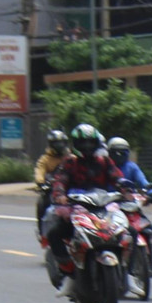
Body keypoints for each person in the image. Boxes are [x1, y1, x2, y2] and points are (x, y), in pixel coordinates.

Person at [46, 123, 123, 291]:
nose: (87, 147)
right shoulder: (69, 162)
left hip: (103, 207)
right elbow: (60, 180)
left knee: (128, 231)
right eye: (83, 143)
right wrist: (60, 195)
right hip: (76, 208)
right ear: (76, 144)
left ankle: (127, 271)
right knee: (55, 234)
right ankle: (68, 272)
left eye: (90, 143)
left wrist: (126, 188)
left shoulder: (104, 161)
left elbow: (117, 177)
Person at [107, 136, 152, 286]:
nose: (119, 156)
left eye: (122, 152)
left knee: (148, 229)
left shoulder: (132, 167)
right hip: (110, 209)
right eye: (116, 153)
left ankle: (151, 263)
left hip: (129, 207)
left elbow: (143, 181)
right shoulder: (107, 168)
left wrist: (150, 192)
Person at [34, 129, 69, 235]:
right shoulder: (45, 159)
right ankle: (42, 232)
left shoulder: (70, 157)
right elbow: (39, 171)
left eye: (61, 143)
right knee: (41, 203)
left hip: (68, 188)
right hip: (51, 188)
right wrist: (41, 183)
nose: (59, 145)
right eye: (56, 143)